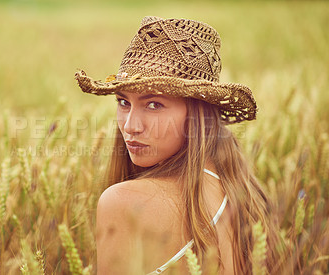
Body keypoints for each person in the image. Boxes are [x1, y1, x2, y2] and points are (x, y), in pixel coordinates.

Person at [75, 16, 280, 275]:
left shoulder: (122, 203)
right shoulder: (239, 189)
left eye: (154, 104)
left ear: (196, 114)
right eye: (123, 102)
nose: (130, 126)